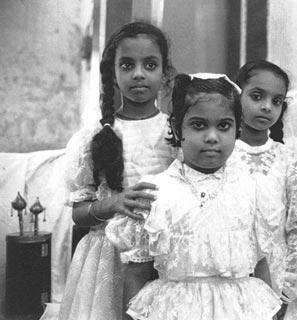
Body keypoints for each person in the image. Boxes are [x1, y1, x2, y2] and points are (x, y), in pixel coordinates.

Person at [106, 73, 281, 320]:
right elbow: (137, 272)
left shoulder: (251, 189)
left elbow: (260, 263)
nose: (212, 137)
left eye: (223, 126)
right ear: (178, 129)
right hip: (175, 311)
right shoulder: (156, 193)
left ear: (237, 129)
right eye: (199, 125)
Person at [57, 21, 176, 320]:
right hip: (109, 257)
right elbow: (78, 212)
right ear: (114, 72)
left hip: (166, 255)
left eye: (150, 64)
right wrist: (113, 203)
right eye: (127, 65)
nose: (138, 73)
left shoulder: (176, 133)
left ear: (164, 73)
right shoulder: (95, 137)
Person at [234, 60, 297, 320]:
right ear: (238, 96)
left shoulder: (288, 158)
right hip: (233, 273)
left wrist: (288, 288)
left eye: (276, 101)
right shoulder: (221, 155)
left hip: (278, 273)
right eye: (257, 96)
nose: (266, 107)